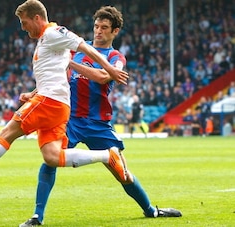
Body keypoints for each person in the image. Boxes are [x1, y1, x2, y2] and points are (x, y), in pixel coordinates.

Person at [0, 0, 129, 199]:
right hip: (56, 103)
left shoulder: (55, 33)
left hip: (49, 101)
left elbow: (87, 49)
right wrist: (32, 92)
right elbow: (57, 71)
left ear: (37, 18)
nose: (23, 27)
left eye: (24, 22)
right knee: (52, 156)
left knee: (8, 132)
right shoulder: (47, 39)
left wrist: (110, 69)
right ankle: (108, 155)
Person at [20, 5, 181, 227]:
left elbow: (103, 77)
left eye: (104, 27)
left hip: (98, 123)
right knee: (50, 160)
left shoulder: (116, 57)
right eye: (96, 26)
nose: (98, 31)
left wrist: (70, 62)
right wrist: (33, 93)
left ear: (115, 31)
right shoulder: (77, 51)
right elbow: (57, 80)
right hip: (71, 120)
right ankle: (37, 216)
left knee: (122, 173)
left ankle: (151, 210)